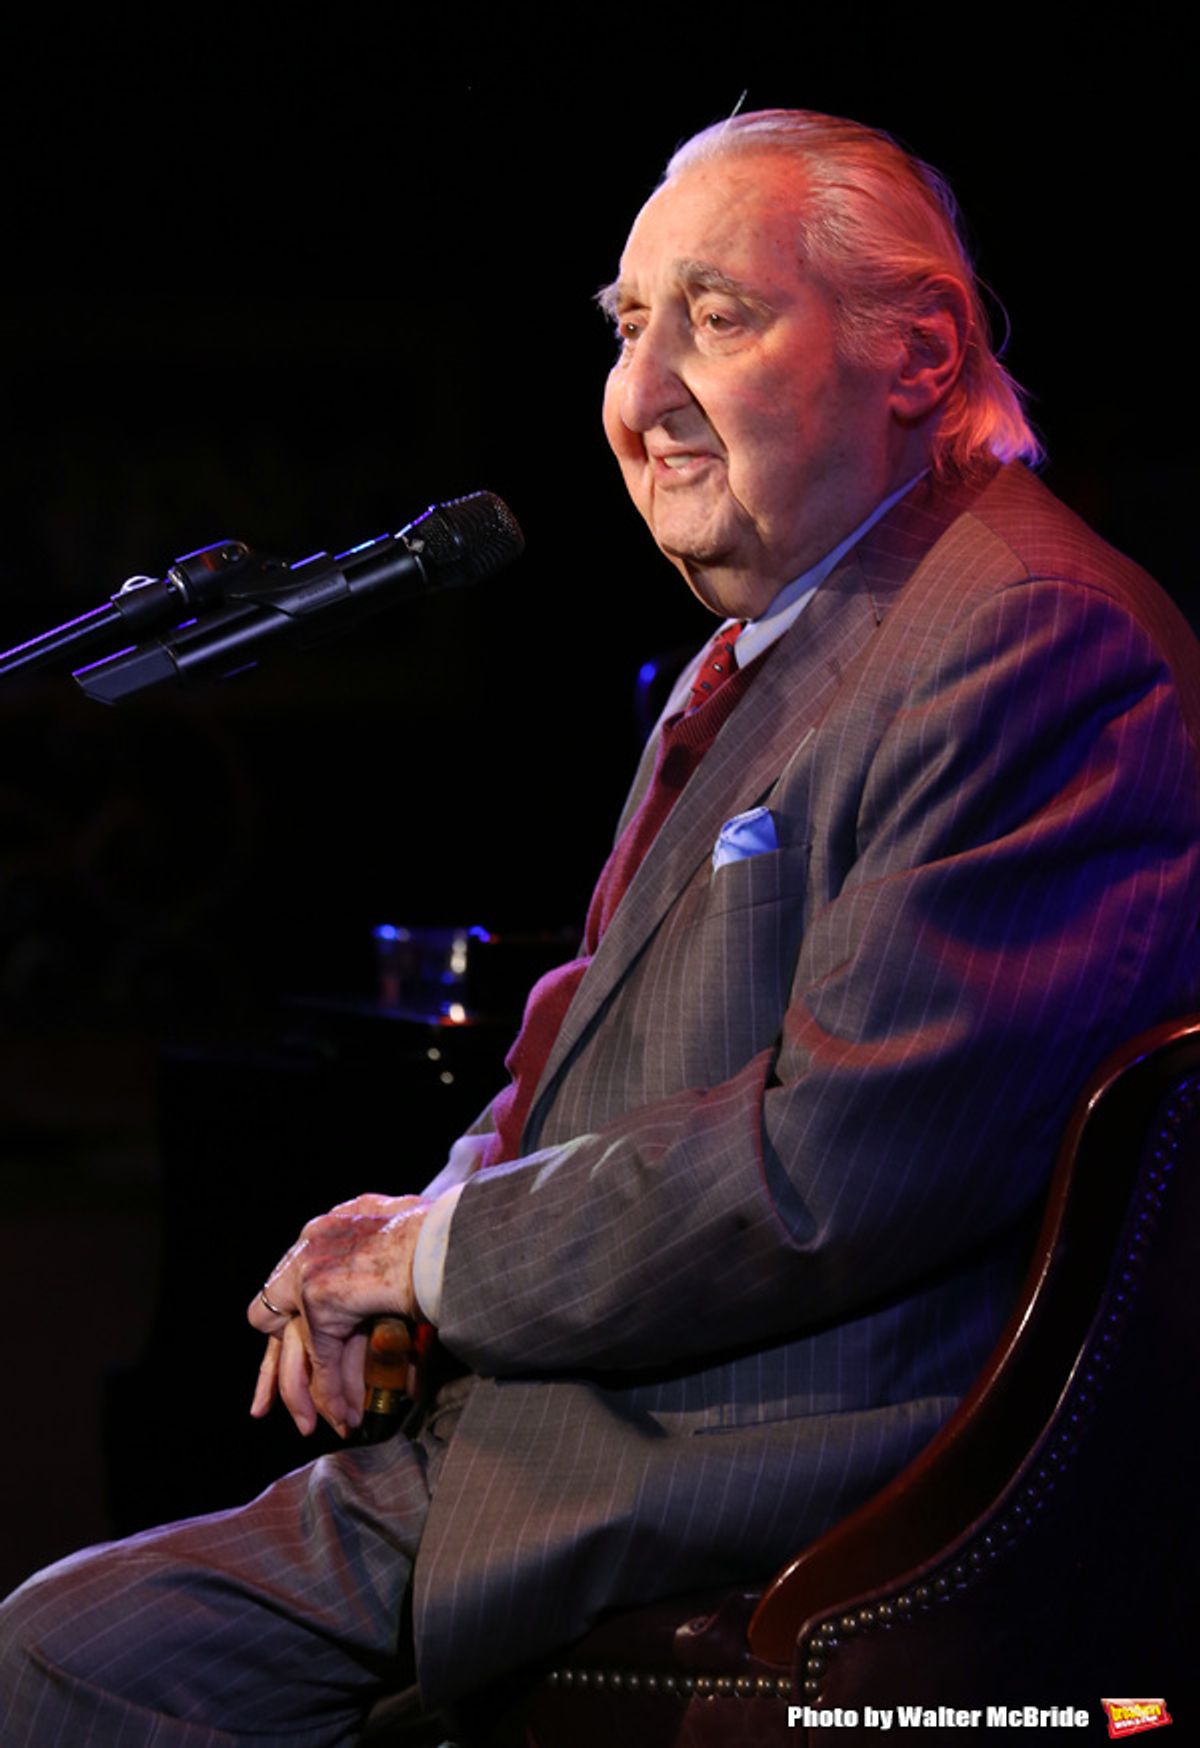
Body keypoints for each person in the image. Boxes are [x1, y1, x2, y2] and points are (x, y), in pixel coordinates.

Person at [4, 108, 1200, 1742]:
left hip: (740, 1456)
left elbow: (839, 1163)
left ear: (917, 353)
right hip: (598, 1414)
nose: (643, 400)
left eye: (720, 315)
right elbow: (589, 1024)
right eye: (631, 328)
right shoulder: (789, 631)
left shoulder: (1028, 642)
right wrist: (423, 1218)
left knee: (57, 1666)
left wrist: (434, 1258)